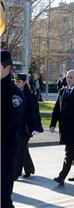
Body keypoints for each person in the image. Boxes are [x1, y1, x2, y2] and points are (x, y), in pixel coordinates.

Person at [50, 70, 74, 184]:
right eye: (67, 77)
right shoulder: (62, 91)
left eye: (71, 77)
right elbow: (56, 109)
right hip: (64, 128)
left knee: (69, 152)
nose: (69, 79)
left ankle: (61, 176)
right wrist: (53, 124)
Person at [1, 50, 25, 208]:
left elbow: (7, 122)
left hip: (5, 151)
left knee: (3, 198)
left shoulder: (14, 93)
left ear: (7, 68)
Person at [15, 74, 44, 179]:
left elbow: (35, 112)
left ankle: (16, 173)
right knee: (23, 149)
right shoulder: (14, 93)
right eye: (16, 81)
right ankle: (29, 169)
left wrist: (37, 127)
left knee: (19, 150)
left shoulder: (31, 95)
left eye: (19, 81)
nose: (17, 83)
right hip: (15, 126)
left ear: (24, 82)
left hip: (26, 128)